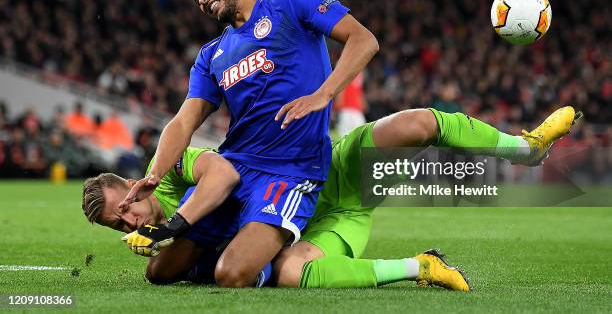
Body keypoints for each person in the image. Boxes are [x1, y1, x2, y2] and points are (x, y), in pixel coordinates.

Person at [84, 105, 579, 290]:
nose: (127, 220)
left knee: (417, 124)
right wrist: (164, 244)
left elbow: (221, 174)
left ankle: (525, 149)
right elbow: (166, 273)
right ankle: (420, 266)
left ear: (131, 187)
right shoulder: (160, 257)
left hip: (324, 174)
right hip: (332, 223)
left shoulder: (170, 174)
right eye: (117, 224)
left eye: (123, 206)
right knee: (291, 274)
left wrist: (175, 225)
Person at [116, 0, 379, 287]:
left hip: (289, 170)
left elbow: (364, 40)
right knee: (160, 273)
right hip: (236, 169)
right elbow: (184, 121)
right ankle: (244, 241)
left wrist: (324, 94)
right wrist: (154, 174)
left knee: (232, 274)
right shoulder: (212, 54)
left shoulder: (289, 1)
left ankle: (262, 251)